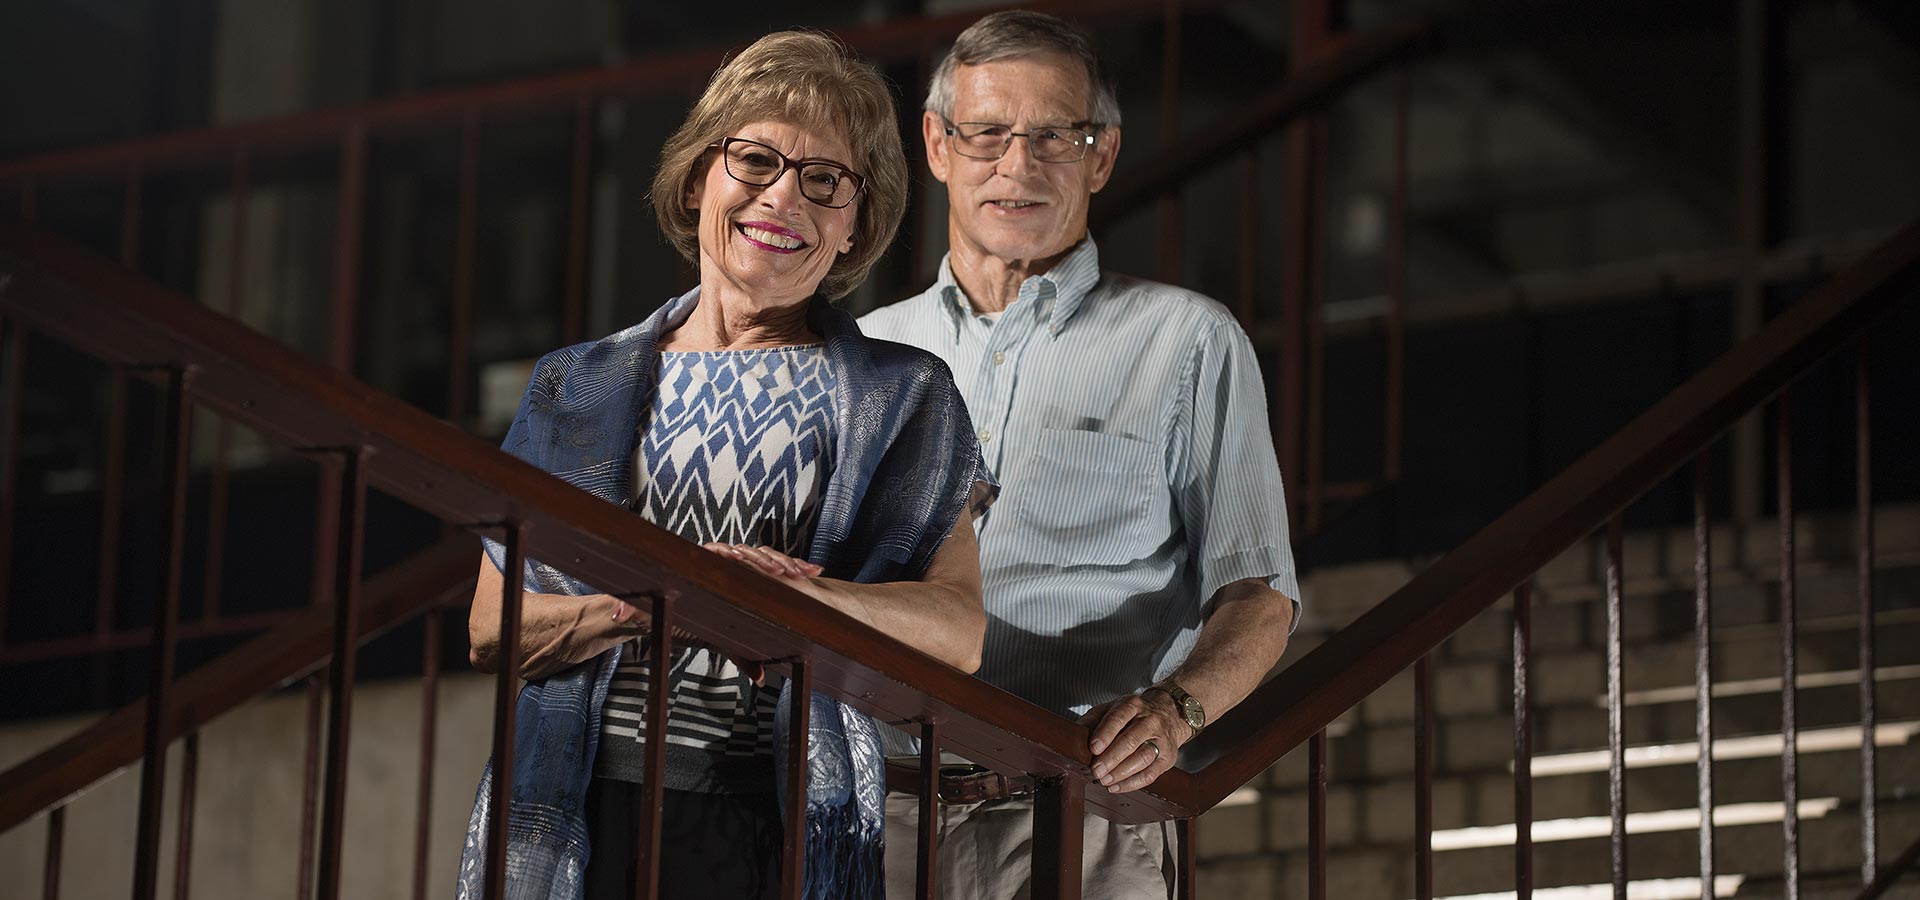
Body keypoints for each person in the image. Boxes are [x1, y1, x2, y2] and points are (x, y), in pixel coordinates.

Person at [455, 31, 992, 900]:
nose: (783, 197)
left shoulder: (905, 396)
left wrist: (796, 601)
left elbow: (958, 634)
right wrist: (666, 600)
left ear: (856, 221)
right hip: (574, 807)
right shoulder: (574, 386)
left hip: (777, 822)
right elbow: (493, 629)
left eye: (826, 181)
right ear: (701, 173)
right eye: (755, 160)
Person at [859, 10, 1301, 898]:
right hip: (880, 815)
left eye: (1054, 135)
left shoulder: (1187, 342)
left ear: (1101, 155)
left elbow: (1259, 595)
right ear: (938, 146)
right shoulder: (868, 351)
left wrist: (1178, 712)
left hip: (1087, 809)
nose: (1016, 167)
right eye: (986, 134)